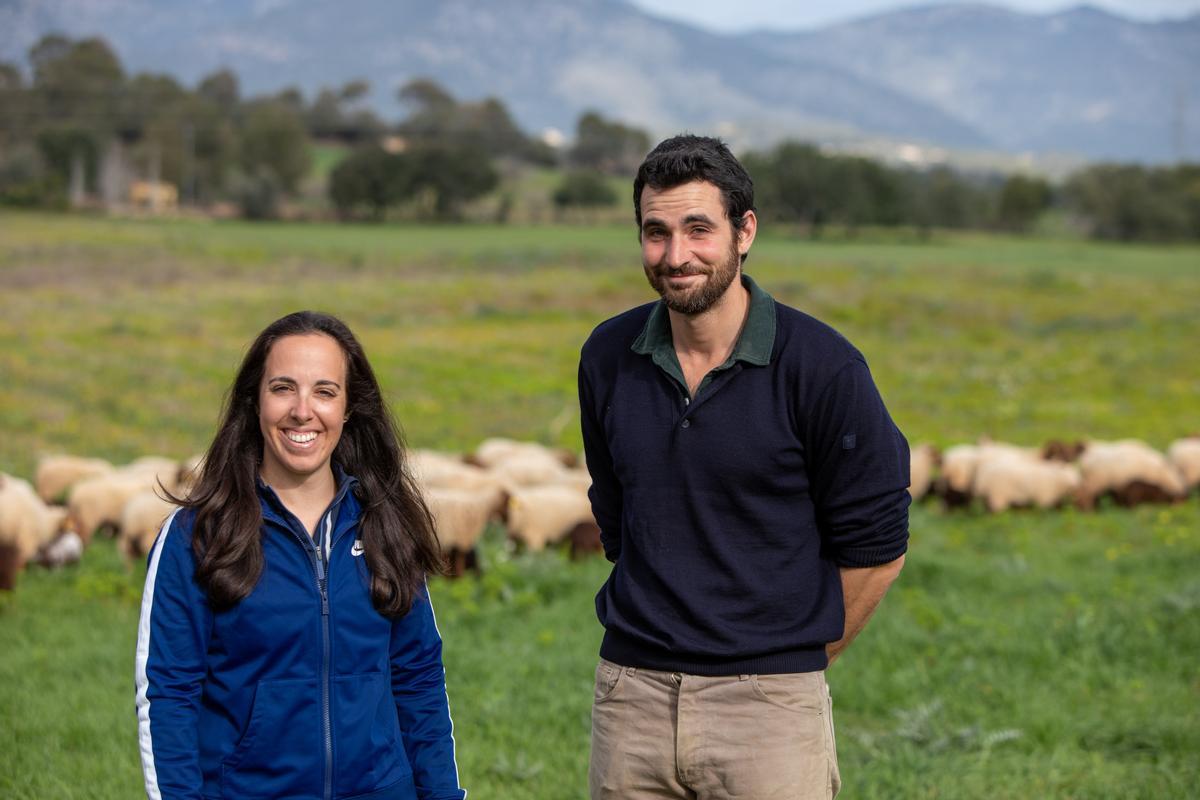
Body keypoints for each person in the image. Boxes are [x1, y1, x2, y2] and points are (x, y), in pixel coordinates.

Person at [578, 135, 911, 799]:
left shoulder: (823, 368)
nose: (676, 256)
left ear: (745, 231)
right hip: (632, 701)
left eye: (699, 229)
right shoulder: (607, 356)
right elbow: (618, 518)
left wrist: (791, 663)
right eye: (656, 232)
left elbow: (876, 549)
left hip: (769, 713)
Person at [135, 311, 465, 800]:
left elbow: (418, 680)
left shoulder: (384, 524)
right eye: (283, 388)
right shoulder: (196, 537)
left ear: (349, 408)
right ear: (254, 401)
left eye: (325, 391)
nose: (303, 411)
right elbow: (167, 696)